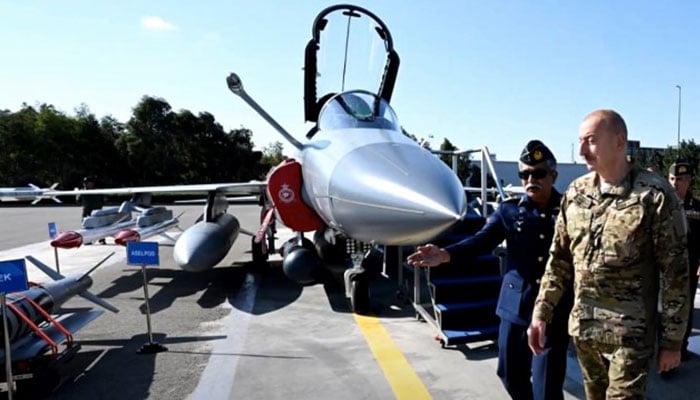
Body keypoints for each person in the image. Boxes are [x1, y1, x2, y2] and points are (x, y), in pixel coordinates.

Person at [528, 109, 689, 399]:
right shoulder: (576, 194)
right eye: (580, 141)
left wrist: (672, 341)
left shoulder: (654, 195)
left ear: (618, 141)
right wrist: (542, 313)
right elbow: (559, 261)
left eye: (590, 141)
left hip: (629, 337)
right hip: (584, 330)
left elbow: (675, 272)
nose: (581, 151)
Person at [407, 140, 573, 400]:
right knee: (509, 374)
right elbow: (481, 241)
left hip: (554, 311)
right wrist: (445, 254)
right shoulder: (509, 210)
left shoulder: (569, 211)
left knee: (547, 388)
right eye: (525, 174)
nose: (531, 179)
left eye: (538, 173)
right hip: (516, 306)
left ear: (553, 175)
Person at [668, 161, 700, 362]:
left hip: (689, 267)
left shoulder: (697, 208)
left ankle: (682, 348)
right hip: (665, 269)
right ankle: (664, 350)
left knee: (685, 310)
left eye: (679, 179)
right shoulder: (660, 205)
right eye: (671, 179)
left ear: (688, 181)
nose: (675, 183)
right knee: (665, 311)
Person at [78, 176, 106, 244]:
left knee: (100, 225)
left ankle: (101, 239)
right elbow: (78, 201)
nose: (86, 184)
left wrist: (99, 206)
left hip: (97, 211)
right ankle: (88, 240)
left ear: (92, 183)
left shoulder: (97, 191)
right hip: (87, 211)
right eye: (85, 183)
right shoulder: (82, 192)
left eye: (88, 183)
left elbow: (103, 200)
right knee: (86, 226)